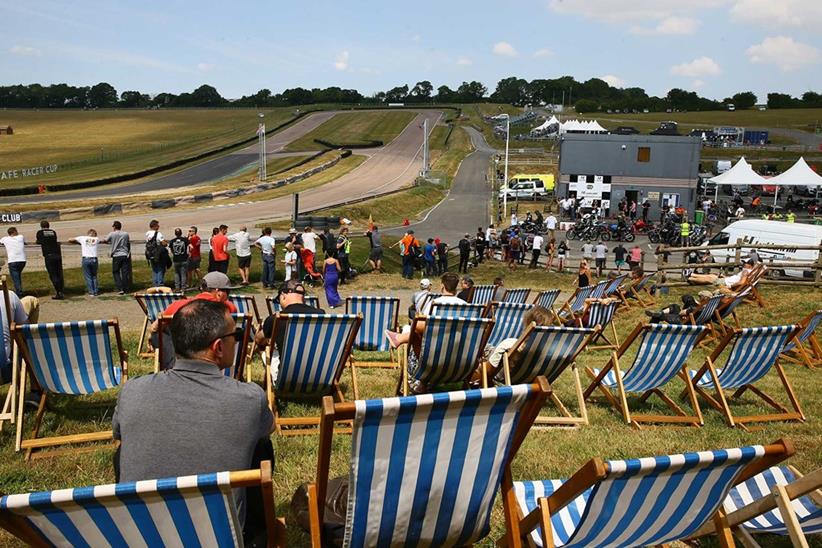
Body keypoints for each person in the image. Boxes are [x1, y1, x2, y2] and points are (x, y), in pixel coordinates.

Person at [112, 299, 273, 543]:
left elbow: (118, 435)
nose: (238, 340)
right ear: (218, 347)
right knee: (261, 448)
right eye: (236, 335)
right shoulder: (249, 398)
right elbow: (268, 429)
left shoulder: (133, 390)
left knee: (123, 450)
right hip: (217, 537)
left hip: (142, 536)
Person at [384, 272, 466, 349]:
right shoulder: (466, 306)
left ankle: (399, 338)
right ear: (455, 288)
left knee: (418, 326)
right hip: (459, 349)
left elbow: (422, 325)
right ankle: (399, 338)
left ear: (442, 286)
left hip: (436, 349)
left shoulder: (435, 303)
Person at [482, 305, 554, 382]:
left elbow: (487, 371)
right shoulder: (548, 352)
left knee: (484, 350)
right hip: (527, 384)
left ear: (526, 322)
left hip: (501, 382)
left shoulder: (509, 344)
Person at [255, 280, 325, 354]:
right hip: (319, 363)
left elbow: (259, 340)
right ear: (303, 297)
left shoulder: (276, 318)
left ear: (283, 296)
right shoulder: (321, 314)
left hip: (288, 365)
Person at [1, 286, 38, 384]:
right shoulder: (8, 296)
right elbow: (25, 330)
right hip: (5, 371)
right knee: (26, 333)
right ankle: (35, 389)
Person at [688, 260, 754, 294]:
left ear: (750, 265)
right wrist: (725, 277)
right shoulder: (750, 271)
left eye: (745, 263)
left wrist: (730, 286)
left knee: (710, 279)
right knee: (712, 276)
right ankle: (691, 274)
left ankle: (690, 278)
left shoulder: (746, 271)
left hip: (727, 283)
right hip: (727, 280)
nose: (743, 264)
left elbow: (741, 282)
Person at [36, 220, 64, 299]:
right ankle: (61, 290)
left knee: (53, 275)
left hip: (49, 255)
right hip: (57, 254)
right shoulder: (53, 232)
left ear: (41, 226)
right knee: (58, 273)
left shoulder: (40, 233)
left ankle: (58, 292)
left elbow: (38, 241)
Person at [101, 221, 131, 295]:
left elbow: (105, 240)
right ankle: (126, 288)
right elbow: (127, 242)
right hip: (124, 254)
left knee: (116, 272)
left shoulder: (112, 234)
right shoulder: (126, 234)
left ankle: (120, 288)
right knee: (125, 272)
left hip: (116, 255)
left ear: (114, 227)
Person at [68, 229, 100, 296]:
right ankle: (96, 291)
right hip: (94, 259)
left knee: (88, 276)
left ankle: (91, 292)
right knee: (94, 276)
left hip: (86, 258)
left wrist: (79, 242)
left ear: (88, 233)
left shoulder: (82, 238)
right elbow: (103, 240)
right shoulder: (96, 239)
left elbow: (70, 239)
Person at [0, 227, 26, 295]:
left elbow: (1, 242)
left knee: (16, 278)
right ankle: (19, 290)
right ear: (14, 232)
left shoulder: (5, 239)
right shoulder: (21, 237)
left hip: (13, 261)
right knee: (18, 276)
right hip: (22, 260)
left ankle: (19, 293)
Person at [145, 220, 169, 288]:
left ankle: (155, 284)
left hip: (150, 253)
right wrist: (166, 243)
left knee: (154, 269)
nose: (159, 226)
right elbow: (163, 243)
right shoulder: (158, 234)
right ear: (154, 226)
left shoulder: (147, 234)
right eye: (157, 225)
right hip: (158, 254)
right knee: (160, 269)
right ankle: (160, 284)